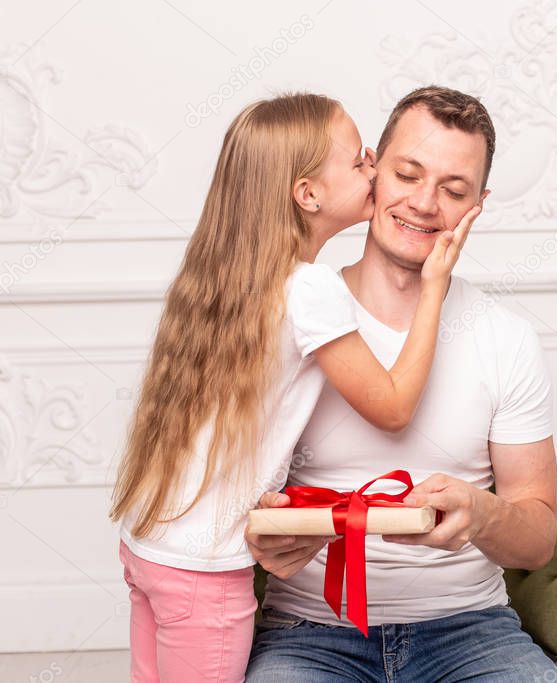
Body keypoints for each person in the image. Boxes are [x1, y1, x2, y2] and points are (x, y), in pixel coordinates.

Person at [109, 93, 480, 682]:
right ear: (308, 194)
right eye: (360, 162)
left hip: (150, 550)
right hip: (204, 577)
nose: (374, 168)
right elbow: (392, 408)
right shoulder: (311, 288)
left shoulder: (237, 276)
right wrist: (435, 286)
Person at [246, 86, 557, 682]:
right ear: (371, 174)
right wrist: (264, 529)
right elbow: (228, 487)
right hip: (311, 631)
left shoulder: (505, 337)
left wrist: (483, 514)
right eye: (407, 174)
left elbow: (538, 541)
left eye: (453, 189)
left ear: (479, 204)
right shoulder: (291, 312)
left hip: (469, 629)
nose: (423, 203)